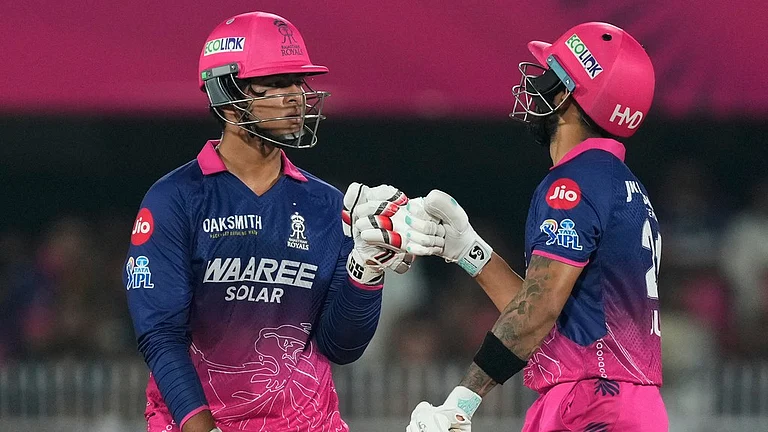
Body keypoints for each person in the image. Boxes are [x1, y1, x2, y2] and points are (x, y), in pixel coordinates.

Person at [351, 22, 667, 431]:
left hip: (592, 404)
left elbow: (539, 309)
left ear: (568, 95)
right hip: (621, 401)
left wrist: (461, 402)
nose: (536, 85)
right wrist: (468, 251)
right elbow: (557, 318)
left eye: (549, 74)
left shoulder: (573, 183)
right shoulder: (623, 185)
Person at [123, 11, 412, 432]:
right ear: (227, 94)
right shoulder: (175, 200)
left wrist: (365, 275)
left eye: (298, 82)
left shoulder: (329, 205)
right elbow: (160, 335)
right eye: (277, 83)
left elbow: (341, 346)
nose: (297, 96)